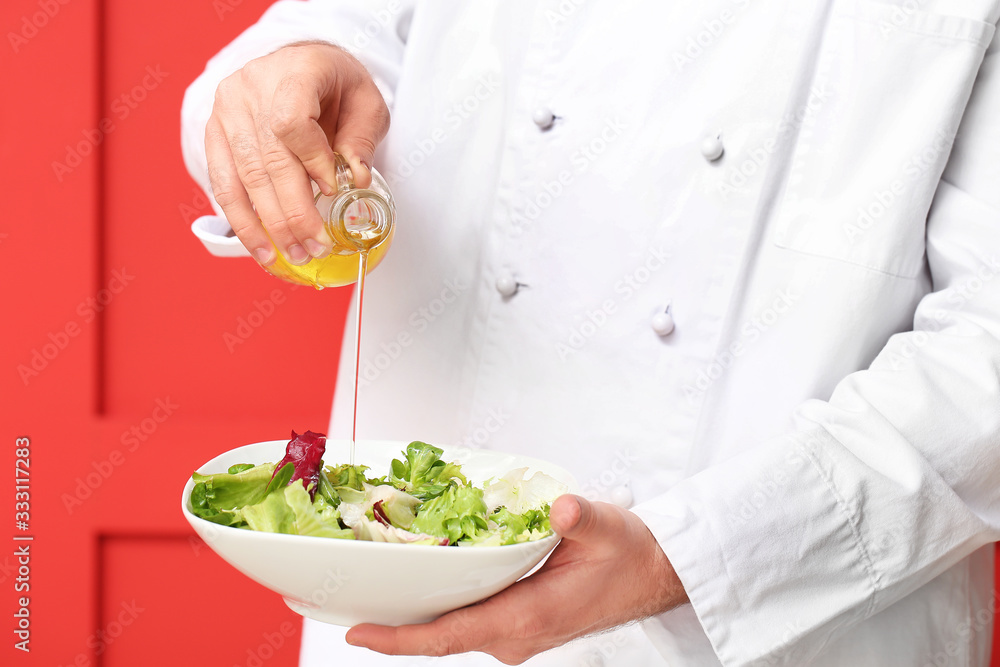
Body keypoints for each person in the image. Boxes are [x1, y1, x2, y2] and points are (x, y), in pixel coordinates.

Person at [181, 1, 1000, 665]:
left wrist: (686, 557)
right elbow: (328, 36)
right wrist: (274, 93)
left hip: (776, 604)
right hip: (410, 591)